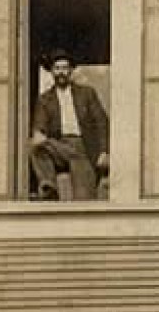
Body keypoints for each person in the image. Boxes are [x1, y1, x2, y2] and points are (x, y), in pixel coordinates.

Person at [29, 48, 109, 201]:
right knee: (36, 146)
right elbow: (40, 125)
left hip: (84, 146)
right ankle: (48, 186)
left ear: (71, 70)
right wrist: (39, 133)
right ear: (52, 71)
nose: (61, 72)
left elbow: (101, 122)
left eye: (65, 68)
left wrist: (104, 151)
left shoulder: (87, 94)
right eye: (57, 68)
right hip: (59, 145)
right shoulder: (45, 99)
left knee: (84, 200)